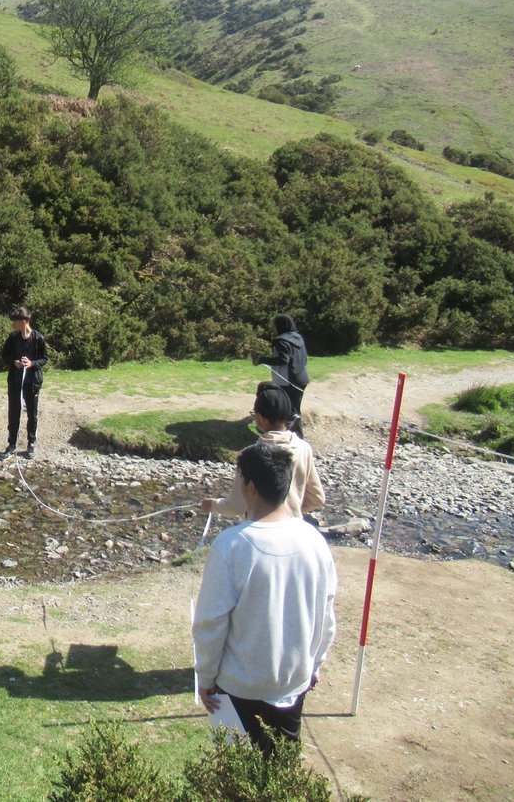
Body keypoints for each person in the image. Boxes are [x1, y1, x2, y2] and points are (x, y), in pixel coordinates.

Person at [193, 442, 338, 758]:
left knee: (236, 773)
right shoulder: (315, 541)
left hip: (238, 685)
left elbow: (210, 622)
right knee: (282, 771)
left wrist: (204, 677)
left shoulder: (232, 545)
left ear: (250, 487)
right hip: (293, 681)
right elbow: (326, 616)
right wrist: (315, 664)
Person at [203, 383, 325, 520]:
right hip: (293, 528)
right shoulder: (303, 448)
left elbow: (236, 506)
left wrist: (212, 505)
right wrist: (293, 510)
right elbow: (317, 498)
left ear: (261, 418)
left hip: (259, 530)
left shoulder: (252, 454)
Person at [253, 314, 310, 437]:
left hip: (287, 381)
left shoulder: (280, 341)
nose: (273, 328)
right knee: (295, 409)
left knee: (289, 410)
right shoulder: (298, 337)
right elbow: (304, 359)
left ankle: (295, 438)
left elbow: (283, 360)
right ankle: (294, 437)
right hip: (302, 379)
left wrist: (261, 359)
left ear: (280, 325)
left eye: (274, 325)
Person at [2, 306, 47, 457]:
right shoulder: (13, 338)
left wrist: (32, 364)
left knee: (32, 414)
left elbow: (44, 359)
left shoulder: (38, 338)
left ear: (23, 322)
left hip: (32, 382)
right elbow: (4, 355)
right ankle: (12, 444)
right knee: (13, 412)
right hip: (15, 381)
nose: (13, 325)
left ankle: (31, 443)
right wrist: (14, 362)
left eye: (15, 322)